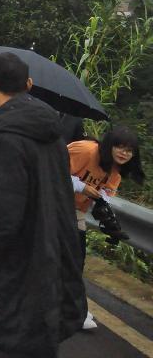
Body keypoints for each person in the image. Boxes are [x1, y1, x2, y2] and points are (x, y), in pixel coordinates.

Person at [0, 52, 86, 357]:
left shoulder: (3, 137)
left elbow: (3, 214)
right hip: (51, 253)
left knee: (14, 341)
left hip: (17, 263)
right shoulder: (51, 130)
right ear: (30, 84)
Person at [68, 126, 144, 330]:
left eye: (129, 150)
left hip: (75, 210)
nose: (124, 153)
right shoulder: (86, 150)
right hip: (50, 202)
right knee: (51, 257)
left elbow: (104, 197)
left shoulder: (115, 172)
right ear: (109, 145)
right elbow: (49, 168)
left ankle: (73, 309)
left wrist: (109, 221)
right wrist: (81, 186)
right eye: (120, 147)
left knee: (76, 259)